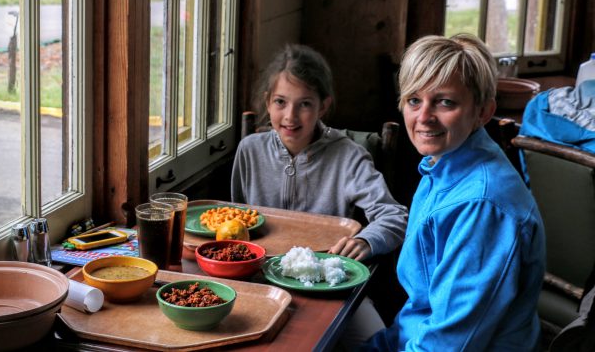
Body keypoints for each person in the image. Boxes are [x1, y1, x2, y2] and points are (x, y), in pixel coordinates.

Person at [360, 34, 546, 351]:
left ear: (483, 112)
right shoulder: (442, 164)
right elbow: (422, 311)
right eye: (414, 100)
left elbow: (450, 343)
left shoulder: (482, 205)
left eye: (446, 102)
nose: (424, 117)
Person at [231, 44, 408, 346]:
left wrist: (366, 240)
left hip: (332, 286)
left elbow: (395, 216)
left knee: (376, 344)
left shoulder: (349, 157)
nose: (290, 116)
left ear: (323, 106)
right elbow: (234, 222)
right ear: (267, 102)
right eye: (280, 102)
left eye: (305, 104)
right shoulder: (250, 150)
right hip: (261, 284)